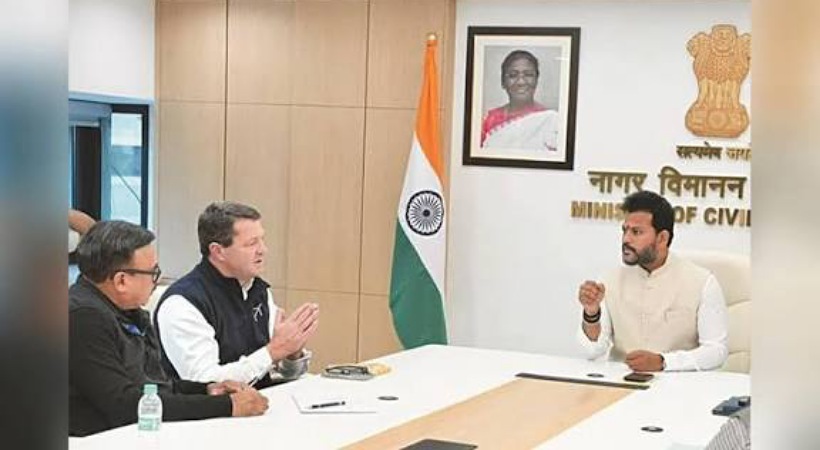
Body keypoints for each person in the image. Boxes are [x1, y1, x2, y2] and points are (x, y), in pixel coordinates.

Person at [69, 221, 268, 437]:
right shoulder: (82, 318)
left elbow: (154, 384)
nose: (157, 280)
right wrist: (226, 406)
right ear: (121, 281)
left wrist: (208, 390)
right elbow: (124, 404)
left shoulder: (127, 311)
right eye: (153, 272)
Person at [155, 201, 319, 389]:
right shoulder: (183, 303)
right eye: (251, 243)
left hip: (260, 401)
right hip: (211, 407)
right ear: (218, 251)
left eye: (262, 240)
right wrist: (275, 350)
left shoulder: (258, 290)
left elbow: (282, 372)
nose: (263, 250)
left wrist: (292, 353)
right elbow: (206, 383)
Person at [576, 190, 728, 372]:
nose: (626, 239)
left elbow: (716, 351)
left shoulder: (702, 282)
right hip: (622, 381)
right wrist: (591, 314)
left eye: (636, 232)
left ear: (662, 238)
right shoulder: (609, 280)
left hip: (679, 383)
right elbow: (593, 351)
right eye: (625, 230)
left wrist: (664, 362)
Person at [481, 49, 559, 151]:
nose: (521, 82)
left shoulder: (552, 121)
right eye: (513, 75)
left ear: (536, 80)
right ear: (503, 82)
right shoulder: (489, 120)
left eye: (528, 75)